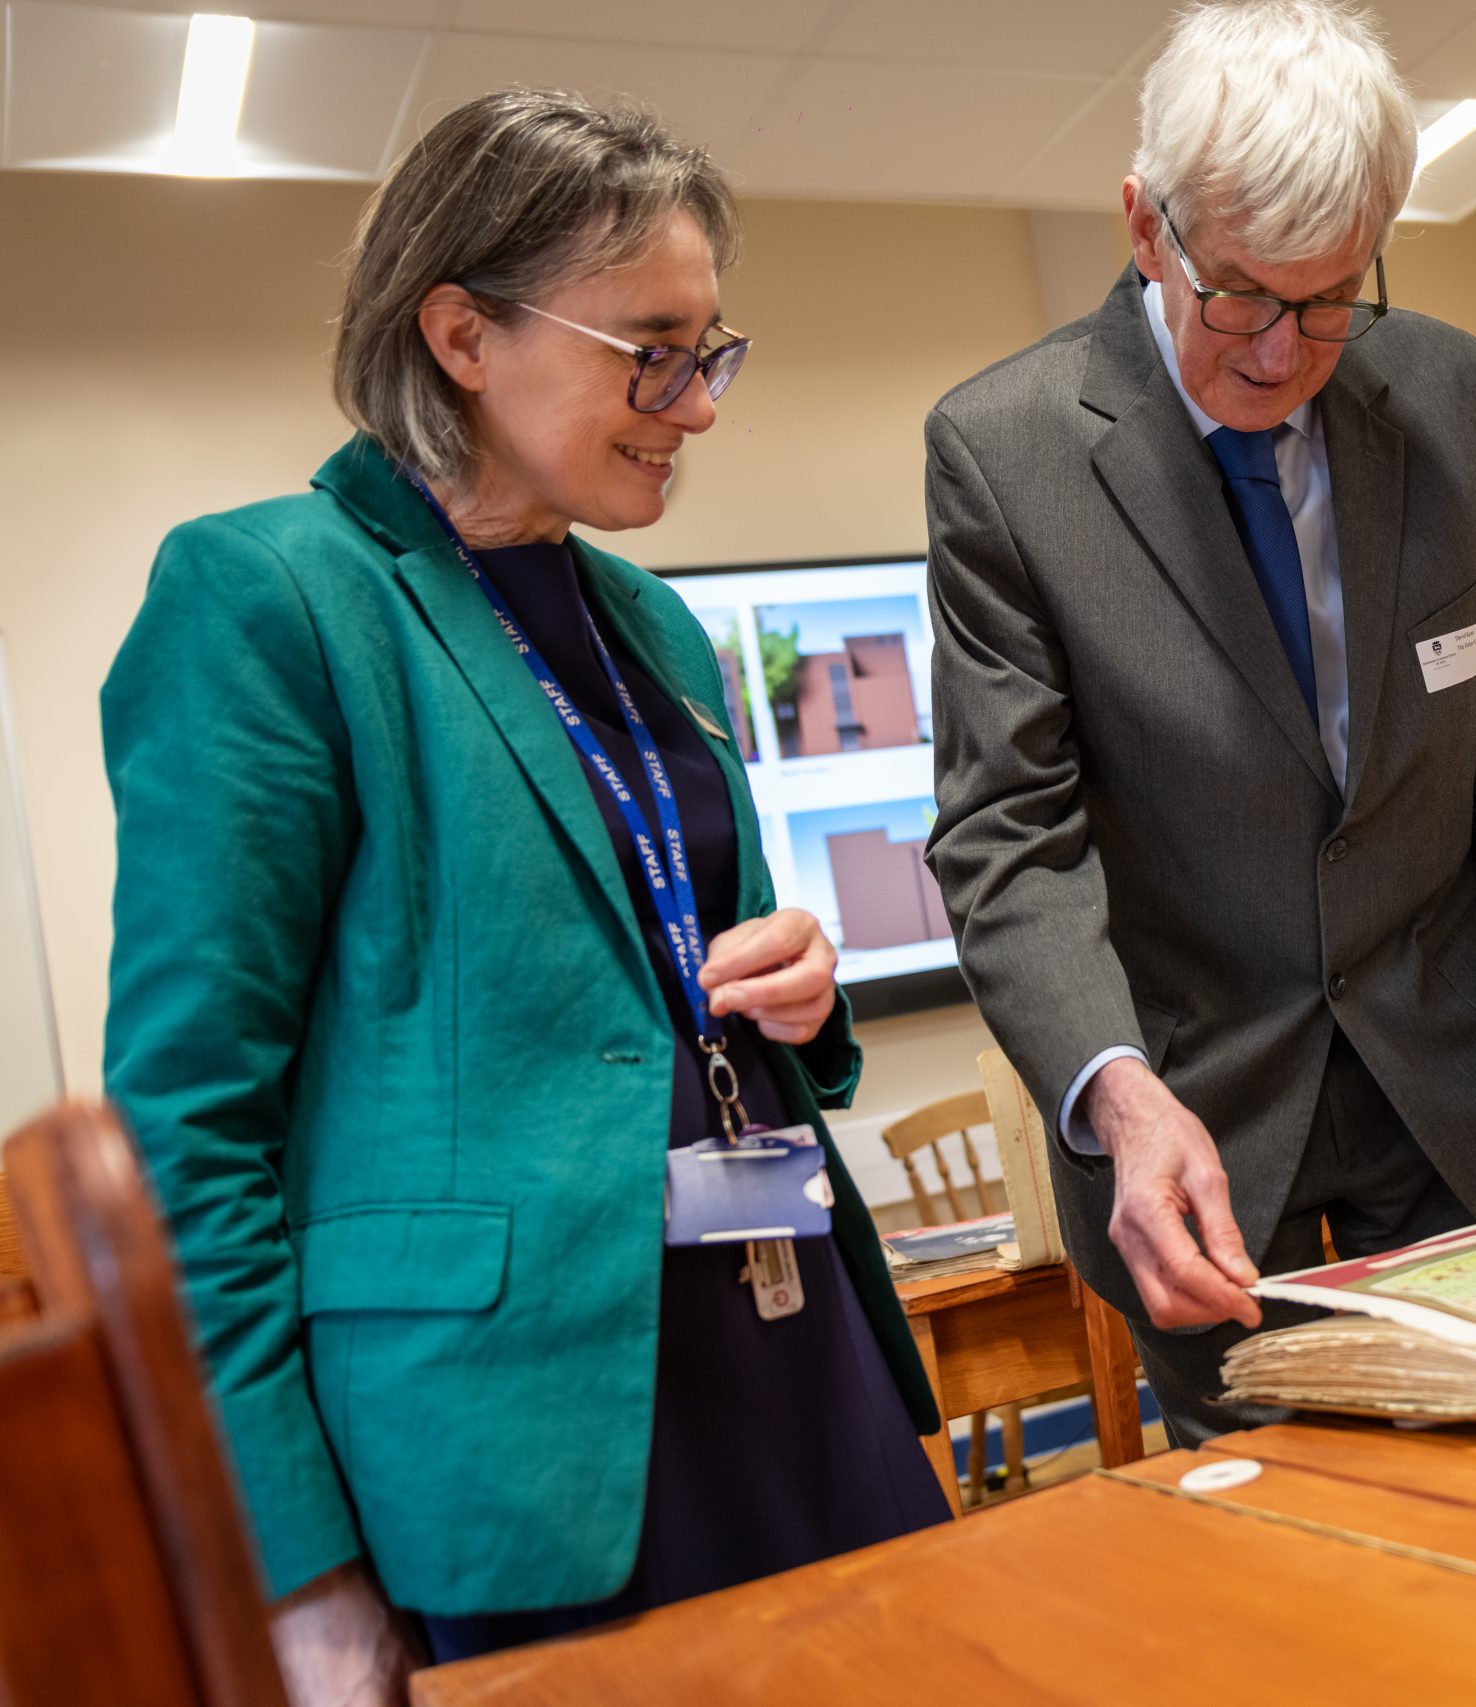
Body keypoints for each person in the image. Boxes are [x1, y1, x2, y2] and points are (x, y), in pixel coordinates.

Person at [101, 91, 947, 1703]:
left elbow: (694, 956)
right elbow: (183, 1130)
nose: (696, 406)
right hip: (510, 1433)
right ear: (462, 334)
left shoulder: (652, 620)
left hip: (787, 1339)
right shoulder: (273, 592)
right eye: (651, 351)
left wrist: (800, 986)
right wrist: (297, 1564)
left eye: (710, 353)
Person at [924, 0, 1476, 1446]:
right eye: (1241, 296)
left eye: (1333, 297)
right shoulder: (1007, 454)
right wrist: (1118, 1098)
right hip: (1200, 1129)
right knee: (1281, 1546)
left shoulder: (1456, 399)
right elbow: (1010, 842)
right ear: (1146, 227)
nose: (1284, 353)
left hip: (1457, 1088)